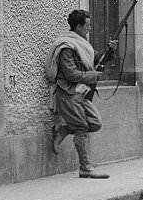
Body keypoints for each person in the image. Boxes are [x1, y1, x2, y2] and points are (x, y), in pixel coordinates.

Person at [46, 10, 117, 178]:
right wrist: (91, 76)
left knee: (95, 123)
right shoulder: (66, 47)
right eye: (87, 26)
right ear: (78, 26)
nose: (90, 29)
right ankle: (85, 167)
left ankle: (63, 130)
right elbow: (70, 74)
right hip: (68, 93)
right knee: (81, 128)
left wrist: (109, 51)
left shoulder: (81, 44)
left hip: (81, 93)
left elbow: (92, 61)